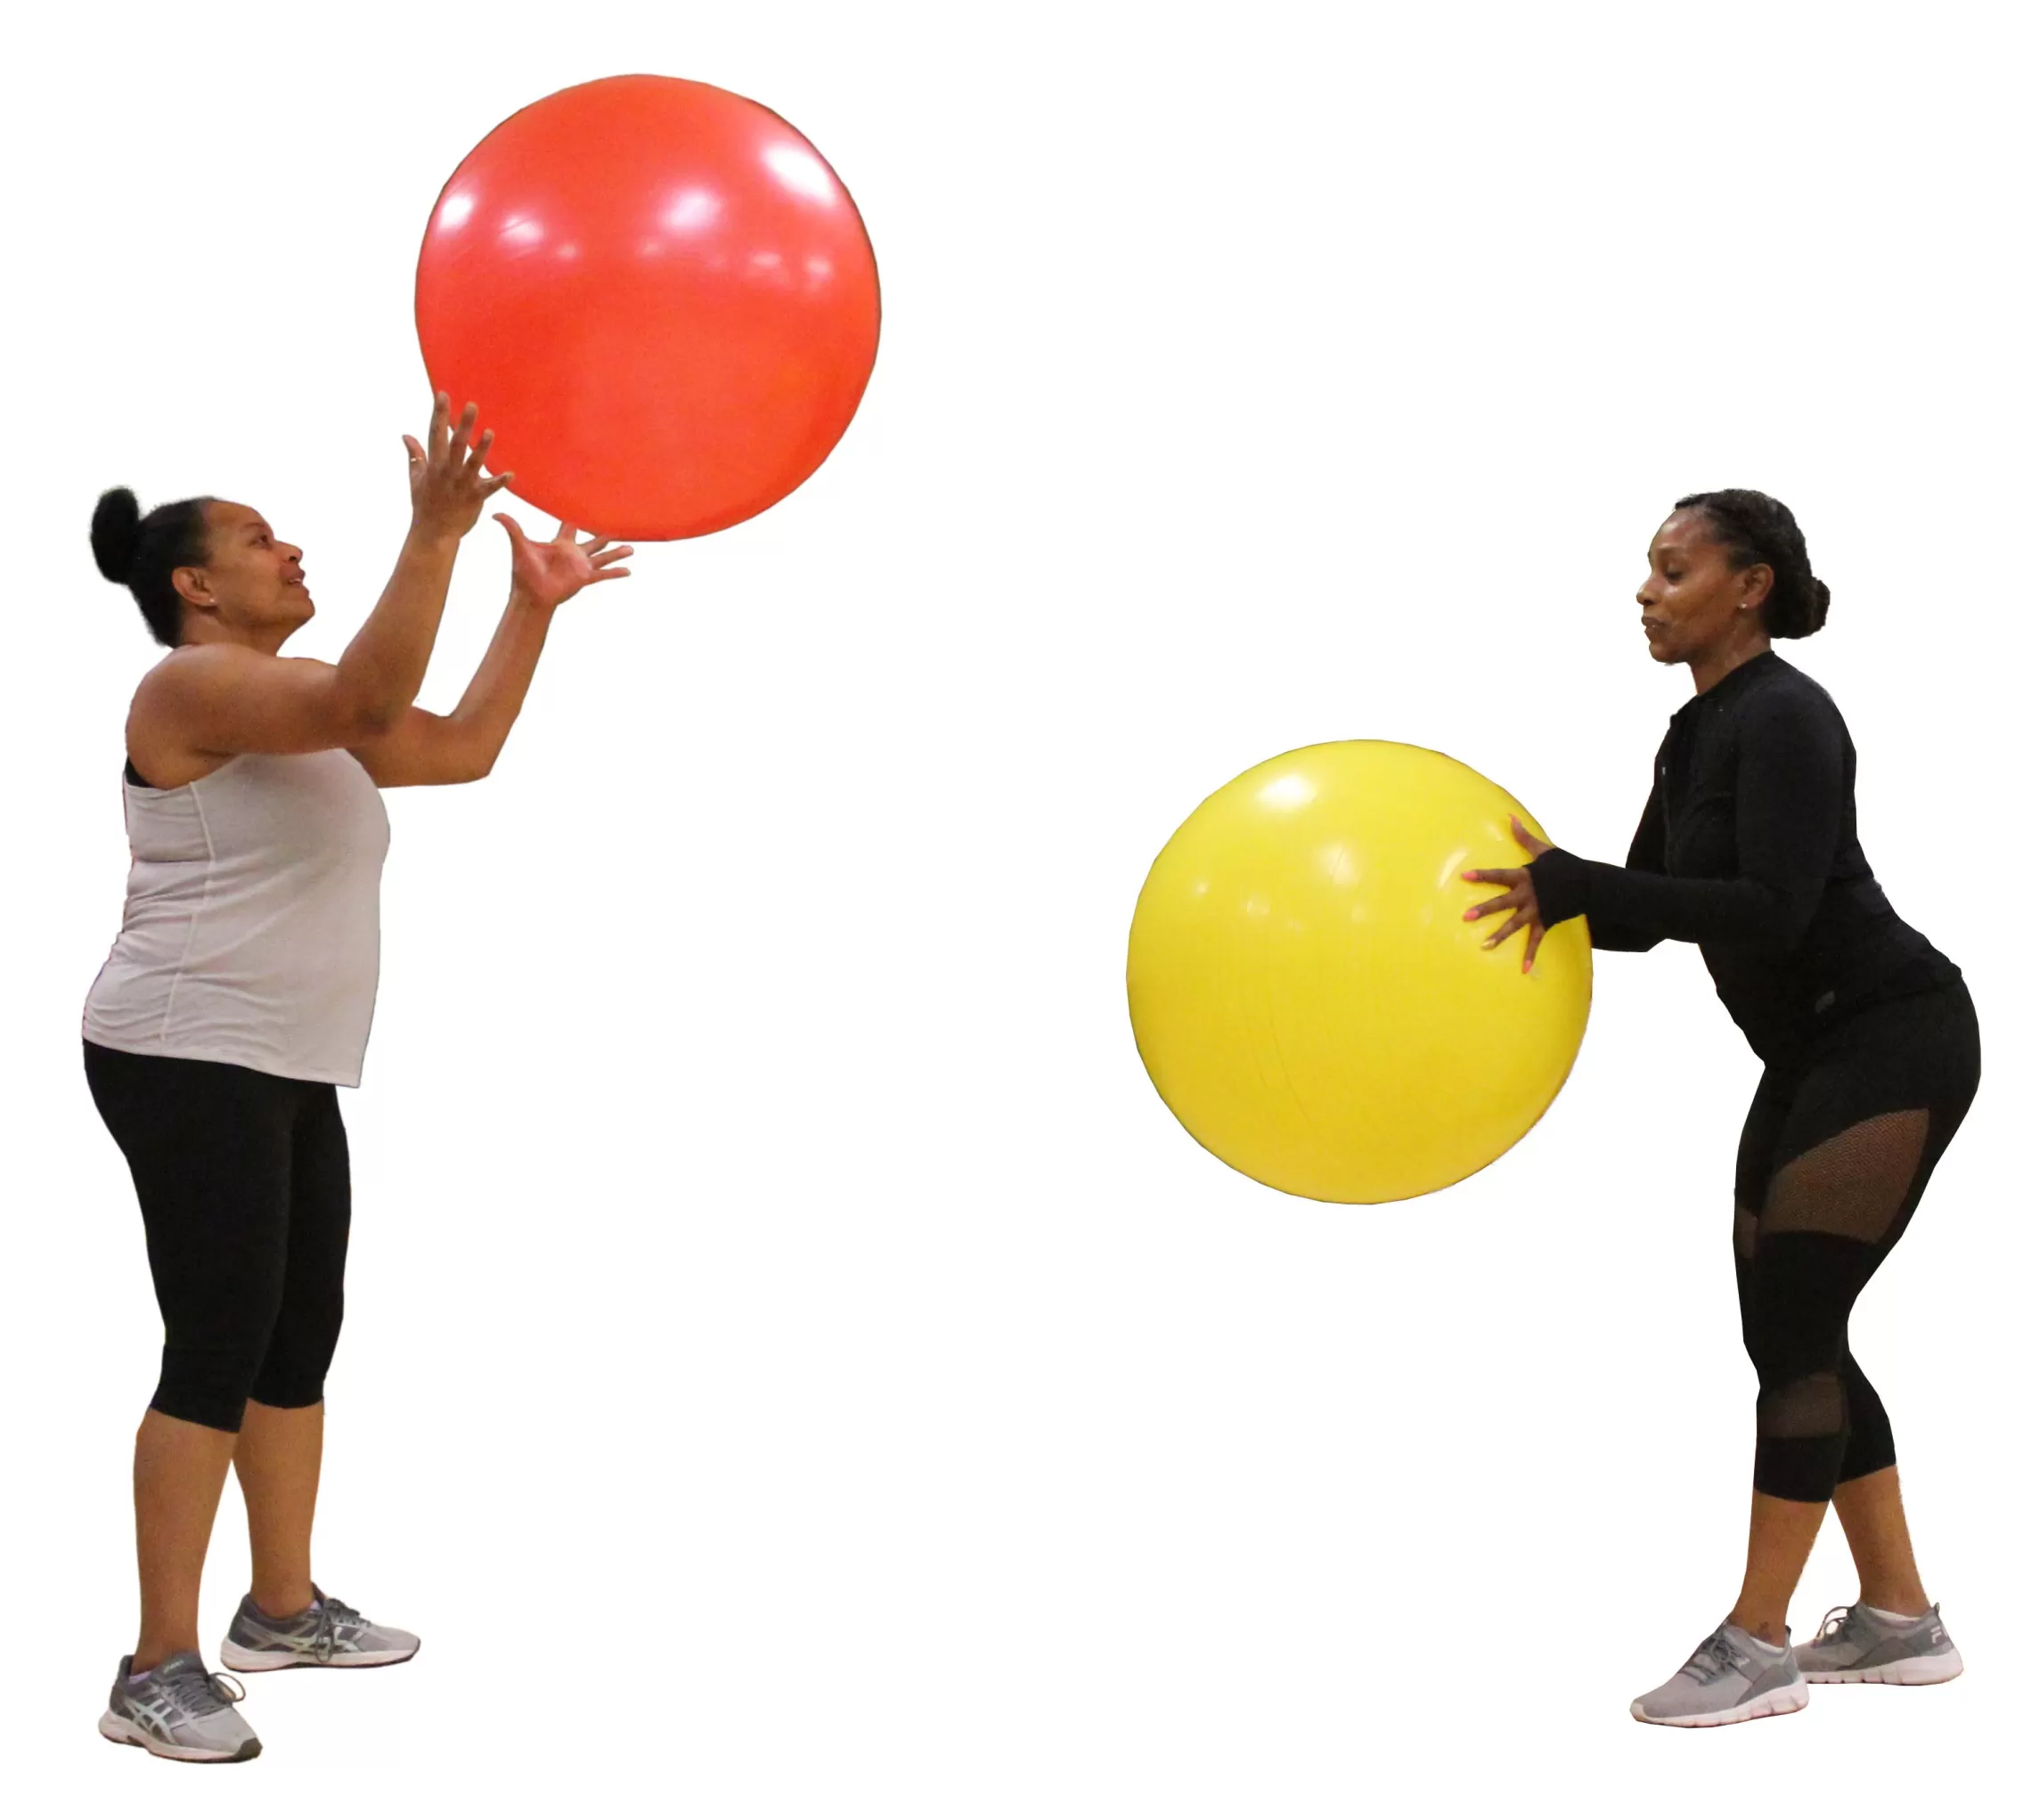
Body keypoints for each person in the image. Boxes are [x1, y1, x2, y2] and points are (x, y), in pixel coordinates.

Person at [84, 394, 632, 1763]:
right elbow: (368, 698)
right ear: (195, 586)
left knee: (294, 1335)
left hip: (279, 1061)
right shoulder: (190, 688)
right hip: (183, 1049)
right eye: (261, 541)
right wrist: (434, 534)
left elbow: (455, 746)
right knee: (213, 1347)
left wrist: (534, 611)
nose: (291, 552)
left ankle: (277, 1607)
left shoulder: (297, 706)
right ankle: (155, 1663)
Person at [1461, 489, 1978, 1727]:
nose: (1647, 590)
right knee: (1790, 1330)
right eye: (1648, 570)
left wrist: (1589, 883)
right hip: (1812, 1053)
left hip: (1892, 1035)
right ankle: (1901, 1617)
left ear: (1747, 587)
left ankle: (1758, 1642)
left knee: (1798, 1329)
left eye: (1672, 568)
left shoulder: (1790, 717)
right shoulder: (1692, 735)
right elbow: (1643, 911)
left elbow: (1775, 907)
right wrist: (1548, 884)